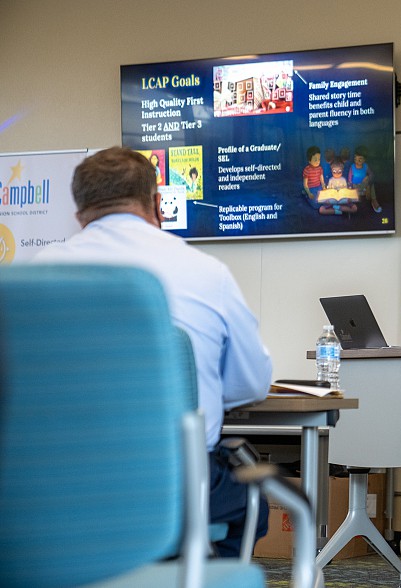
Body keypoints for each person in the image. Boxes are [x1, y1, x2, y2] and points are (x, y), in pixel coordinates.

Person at [32, 147, 273, 558]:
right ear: (157, 204)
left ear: (79, 215)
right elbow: (251, 383)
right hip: (173, 482)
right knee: (251, 507)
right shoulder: (205, 271)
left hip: (55, 487)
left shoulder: (36, 273)